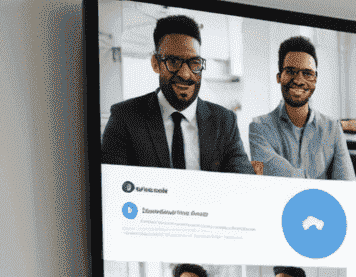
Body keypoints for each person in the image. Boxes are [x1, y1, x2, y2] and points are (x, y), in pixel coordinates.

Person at [100, 13, 253, 174]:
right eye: (173, 62)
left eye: (194, 63)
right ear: (156, 64)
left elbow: (242, 185)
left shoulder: (224, 121)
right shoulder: (125, 117)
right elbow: (112, 186)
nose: (185, 74)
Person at [247, 35, 356, 182]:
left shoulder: (333, 128)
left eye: (307, 73)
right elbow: (284, 181)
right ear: (279, 77)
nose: (299, 80)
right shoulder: (259, 128)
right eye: (291, 71)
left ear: (315, 79)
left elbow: (347, 185)